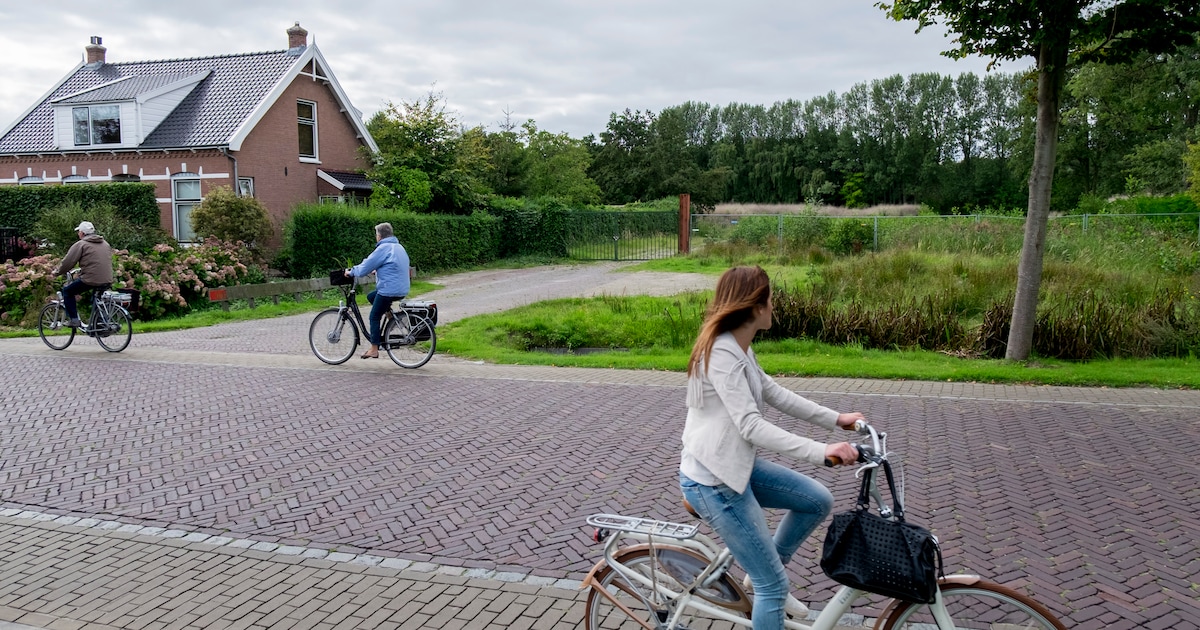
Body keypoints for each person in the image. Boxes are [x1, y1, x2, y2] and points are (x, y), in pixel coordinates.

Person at [678, 265, 865, 629]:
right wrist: (820, 450)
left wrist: (836, 417)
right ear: (757, 306)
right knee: (774, 589)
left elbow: (772, 392)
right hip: (714, 482)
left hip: (735, 467)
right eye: (771, 299)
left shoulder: (739, 348)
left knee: (816, 500)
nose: (774, 305)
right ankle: (766, 583)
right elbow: (750, 426)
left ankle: (760, 574)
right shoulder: (722, 353)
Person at [345, 222, 410, 359]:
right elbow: (393, 266)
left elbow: (365, 266)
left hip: (389, 289)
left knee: (374, 316)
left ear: (379, 236)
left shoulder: (384, 248)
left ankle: (374, 349)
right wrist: (379, 270)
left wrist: (352, 272)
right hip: (402, 288)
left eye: (376, 235)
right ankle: (390, 316)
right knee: (371, 297)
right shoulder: (398, 247)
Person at [53, 221, 114, 328]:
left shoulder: (81, 244)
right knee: (96, 299)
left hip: (91, 279)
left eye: (79, 232)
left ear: (82, 233)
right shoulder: (105, 244)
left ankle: (74, 320)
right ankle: (99, 324)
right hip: (107, 278)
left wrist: (57, 272)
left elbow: (68, 262)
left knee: (68, 291)